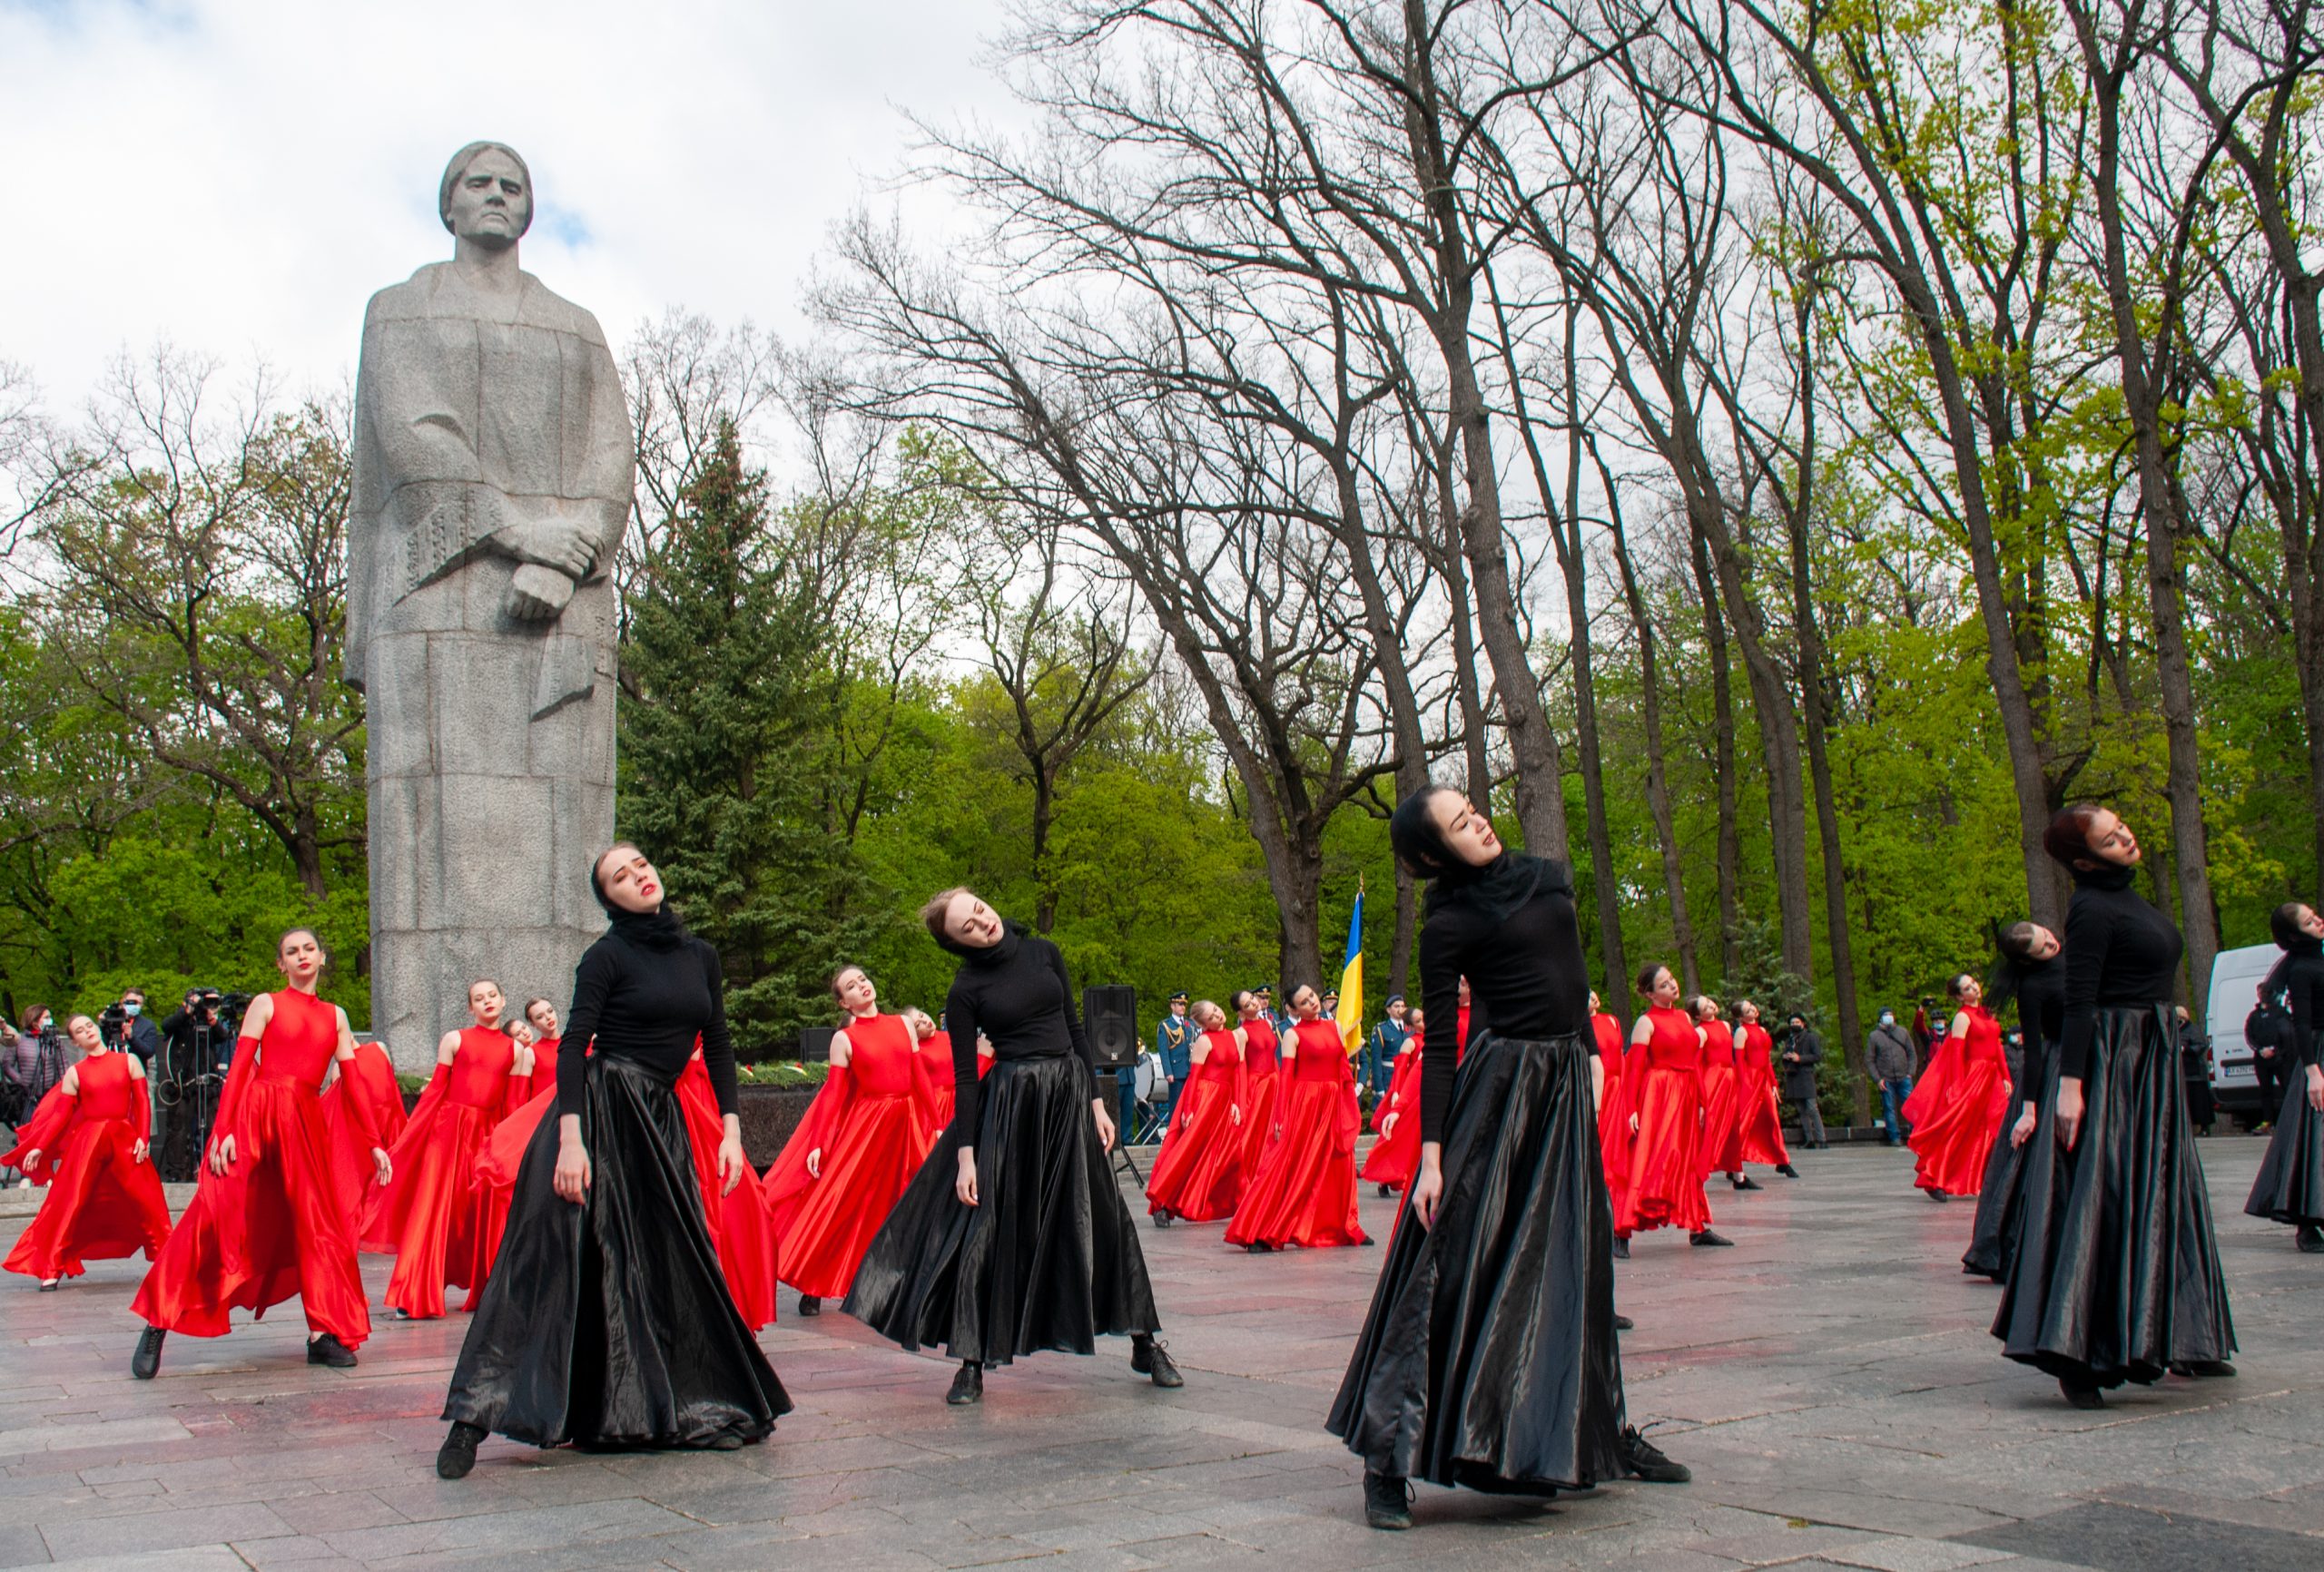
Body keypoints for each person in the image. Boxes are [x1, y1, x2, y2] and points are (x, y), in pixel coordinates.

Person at [1330, 785, 1686, 1531]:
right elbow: (1440, 1048)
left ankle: (1597, 1434)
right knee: (1448, 1264)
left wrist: (1588, 1061)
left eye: (1474, 811)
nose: (1479, 823)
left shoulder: (1547, 876)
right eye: (1460, 824)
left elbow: (1573, 974)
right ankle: (1387, 1462)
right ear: (1433, 855)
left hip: (1563, 1085)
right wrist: (1430, 1156)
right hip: (1500, 1089)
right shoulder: (1449, 922)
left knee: (1576, 1265)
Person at [436, 843, 791, 1479]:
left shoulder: (699, 956)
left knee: (664, 1259)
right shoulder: (606, 955)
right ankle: (472, 1417)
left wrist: (732, 1132)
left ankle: (652, 1407)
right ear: (609, 900)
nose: (639, 877)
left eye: (641, 866)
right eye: (619, 877)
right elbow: (573, 1046)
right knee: (550, 1259)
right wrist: (571, 1140)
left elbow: (718, 1044)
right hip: (599, 1111)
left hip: (659, 1118)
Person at [843, 888, 1178, 1406]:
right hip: (1013, 1104)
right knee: (990, 1230)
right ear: (958, 945)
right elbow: (964, 1076)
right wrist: (965, 1155)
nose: (982, 923)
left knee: (1104, 1220)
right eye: (966, 927)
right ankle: (972, 1361)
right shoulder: (965, 989)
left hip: (1068, 1098)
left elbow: (1075, 1029)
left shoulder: (1043, 952)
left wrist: (1095, 1104)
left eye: (978, 910)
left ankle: (1143, 1341)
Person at [1993, 804, 2235, 1408]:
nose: (2126, 837)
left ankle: (2180, 1332)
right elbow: (2079, 1001)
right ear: (2084, 859)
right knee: (2109, 1194)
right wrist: (2069, 1086)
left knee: (2165, 1188)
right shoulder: (2091, 906)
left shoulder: (2128, 898)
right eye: (2110, 837)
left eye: (2122, 827)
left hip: (2147, 1055)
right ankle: (2079, 1353)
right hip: (2113, 1059)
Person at [129, 930, 389, 1378]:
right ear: (281, 964)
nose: (302, 956)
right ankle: (158, 1318)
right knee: (212, 1216)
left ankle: (322, 1333)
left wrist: (374, 1142)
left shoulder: (336, 1016)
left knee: (318, 1226)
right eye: (292, 951)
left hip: (305, 1125)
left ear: (323, 958)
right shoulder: (267, 1003)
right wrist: (224, 1130)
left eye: (309, 949)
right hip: (258, 1114)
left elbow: (354, 1084)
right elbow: (241, 1068)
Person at [761, 966, 934, 1317]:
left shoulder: (902, 1024)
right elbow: (833, 1095)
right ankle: (813, 1283)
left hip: (907, 1122)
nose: (862, 986)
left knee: (906, 1201)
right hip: (869, 1128)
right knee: (845, 1205)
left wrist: (938, 1123)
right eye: (851, 987)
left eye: (863, 980)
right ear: (844, 1003)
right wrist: (818, 1143)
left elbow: (919, 1077)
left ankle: (899, 1285)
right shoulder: (844, 1039)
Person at [361, 979, 527, 1320]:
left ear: (503, 999)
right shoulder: (455, 1039)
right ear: (470, 1008)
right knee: (431, 1207)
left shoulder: (517, 1051)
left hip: (486, 1136)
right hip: (447, 1131)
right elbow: (435, 1092)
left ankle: (491, 1290)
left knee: (479, 1210)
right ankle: (413, 1294)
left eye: (492, 996)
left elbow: (513, 1107)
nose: (487, 1002)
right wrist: (408, 1139)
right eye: (479, 999)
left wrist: (510, 1152)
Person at [1, 1014, 172, 1289]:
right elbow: (59, 1116)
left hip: (124, 1138)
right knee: (72, 1201)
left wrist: (143, 1137)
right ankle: (53, 1266)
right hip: (89, 1141)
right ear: (76, 1041)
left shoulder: (129, 1061)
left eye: (89, 1025)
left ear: (96, 1028)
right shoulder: (76, 1072)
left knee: (147, 1200)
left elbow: (141, 1101)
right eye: (80, 1031)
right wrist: (39, 1146)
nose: (87, 1031)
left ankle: (170, 1260)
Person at [1226, 985, 1367, 1252]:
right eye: (1304, 1002)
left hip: (1333, 1100)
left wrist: (1349, 1100)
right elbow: (1286, 1077)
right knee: (1293, 1166)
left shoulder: (1335, 1026)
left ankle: (1345, 1225)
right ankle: (1260, 1230)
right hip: (1307, 1104)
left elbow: (1341, 1067)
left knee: (1340, 1163)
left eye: (1312, 996)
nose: (1312, 1003)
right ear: (1293, 1009)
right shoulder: (1291, 1035)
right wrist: (1280, 1117)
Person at [1963, 921, 2064, 1280]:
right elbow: (2034, 1052)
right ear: (2028, 960)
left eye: (2047, 935)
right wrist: (2030, 1110)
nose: (2052, 942)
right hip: (2053, 1068)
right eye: (2043, 946)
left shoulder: (2076, 957)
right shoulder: (2033, 988)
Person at [1618, 965, 1725, 1252]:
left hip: (1688, 1093)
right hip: (1659, 1097)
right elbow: (1634, 1068)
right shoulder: (1646, 1023)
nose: (1673, 986)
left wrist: (1702, 1101)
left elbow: (1694, 1061)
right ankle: (1622, 1231)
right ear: (1650, 994)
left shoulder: (1684, 1017)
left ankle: (1698, 1226)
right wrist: (1631, 1108)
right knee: (1651, 1160)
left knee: (1688, 1159)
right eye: (1664, 985)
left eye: (1672, 980)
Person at [2245, 901, 2324, 1252]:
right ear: (2295, 935)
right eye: (2310, 921)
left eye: (2315, 915)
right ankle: (2307, 1224)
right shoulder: (2301, 969)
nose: (2319, 921)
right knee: (2312, 1140)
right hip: (2319, 1055)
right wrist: (2313, 1073)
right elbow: (2303, 1024)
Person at [1905, 974, 2010, 1201]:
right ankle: (1933, 1176)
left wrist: (2006, 1077)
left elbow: (1998, 1048)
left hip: (1991, 1078)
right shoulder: (1963, 1017)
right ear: (1959, 996)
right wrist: (1956, 1084)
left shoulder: (1987, 1013)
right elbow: (1955, 1052)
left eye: (1974, 983)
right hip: (1974, 1077)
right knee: (1958, 1127)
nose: (1974, 988)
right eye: (1967, 987)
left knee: (1990, 1127)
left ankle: (1986, 1178)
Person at [1146, 1000, 1247, 1225]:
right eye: (1211, 1017)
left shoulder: (1235, 1036)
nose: (1218, 1016)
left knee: (1230, 1153)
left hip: (1224, 1100)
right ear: (1203, 1024)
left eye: (1217, 1011)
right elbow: (1194, 1077)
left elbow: (1238, 1073)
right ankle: (1162, 1202)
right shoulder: (1204, 1040)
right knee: (1188, 1151)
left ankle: (1240, 1202)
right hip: (1204, 1098)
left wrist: (1237, 1103)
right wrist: (1189, 1109)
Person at [318, 1024, 409, 1231]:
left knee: (391, 1177)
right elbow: (340, 1107)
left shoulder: (378, 1047)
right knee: (367, 1180)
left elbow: (390, 1086)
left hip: (389, 1120)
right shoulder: (338, 1068)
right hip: (362, 1130)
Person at [1363, 1008, 1425, 1196]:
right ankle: (1384, 1176)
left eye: (1424, 1017)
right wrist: (1396, 1092)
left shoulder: (1436, 1037)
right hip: (1411, 1092)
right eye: (1419, 1020)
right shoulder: (1410, 1042)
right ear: (1410, 1026)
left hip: (1427, 1090)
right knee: (1397, 1135)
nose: (1424, 1022)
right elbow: (1400, 1069)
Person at [1694, 997, 1754, 1192]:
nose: (1711, 1006)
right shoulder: (1701, 1031)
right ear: (1698, 1015)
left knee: (1732, 1129)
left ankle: (1739, 1175)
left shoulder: (1727, 1026)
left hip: (1729, 1078)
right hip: (1713, 1081)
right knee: (1712, 1127)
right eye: (1705, 1007)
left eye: (1710, 1003)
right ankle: (1698, 1174)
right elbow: (1696, 1063)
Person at [1731, 1001, 1795, 1178]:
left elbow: (1766, 1060)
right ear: (1741, 1017)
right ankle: (1733, 1162)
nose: (1753, 1010)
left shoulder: (1762, 1031)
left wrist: (1773, 1082)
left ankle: (1782, 1160)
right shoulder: (1741, 1032)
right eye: (1748, 1010)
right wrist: (1744, 1083)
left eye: (1752, 1007)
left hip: (1763, 1079)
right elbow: (1740, 1060)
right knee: (1744, 1121)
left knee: (1772, 1118)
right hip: (1749, 1080)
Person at [1236, 989, 1284, 1174]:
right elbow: (1240, 1067)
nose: (1254, 1003)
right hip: (1256, 1085)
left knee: (1274, 1130)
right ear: (1241, 1013)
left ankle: (1272, 1175)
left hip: (1273, 1080)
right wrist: (1240, 1101)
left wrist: (1280, 1082)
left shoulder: (1268, 1023)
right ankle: (1249, 1176)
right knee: (1254, 1134)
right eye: (1247, 1004)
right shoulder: (1241, 1032)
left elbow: (1272, 1056)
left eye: (1252, 999)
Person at [1867, 1008, 1915, 1145]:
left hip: (1903, 1076)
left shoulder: (1902, 1032)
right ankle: (1894, 1136)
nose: (1889, 1017)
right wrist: (1878, 1078)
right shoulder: (1874, 1036)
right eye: (1885, 1015)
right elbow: (1870, 1059)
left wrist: (1910, 1073)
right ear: (1880, 1018)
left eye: (1890, 1014)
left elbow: (1911, 1053)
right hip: (1886, 1078)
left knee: (1911, 1106)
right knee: (1889, 1108)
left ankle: (1916, 1133)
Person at [1779, 1014, 1827, 1151]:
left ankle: (1822, 1138)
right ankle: (1809, 1139)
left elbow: (1817, 1056)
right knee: (1801, 1110)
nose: (1794, 1024)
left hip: (1806, 1076)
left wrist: (1800, 1058)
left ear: (1803, 1023)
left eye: (1797, 1022)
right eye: (1792, 1022)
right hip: (1793, 1077)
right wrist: (1786, 1057)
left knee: (1812, 1108)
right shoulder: (1789, 1040)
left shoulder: (1810, 1037)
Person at [1155, 992, 1197, 1131]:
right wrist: (1168, 1072)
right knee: (1176, 1105)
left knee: (1190, 1104)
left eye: (1184, 1004)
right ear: (1172, 1006)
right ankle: (1173, 1132)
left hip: (1189, 1069)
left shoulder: (1189, 1024)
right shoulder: (1166, 1025)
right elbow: (1164, 1051)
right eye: (1180, 1004)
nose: (1183, 1007)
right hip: (1176, 1071)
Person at [2176, 1007, 2215, 1135]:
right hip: (2182, 1071)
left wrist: (2185, 1049)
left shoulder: (2192, 1029)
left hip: (2195, 1071)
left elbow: (2201, 1045)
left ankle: (2204, 1128)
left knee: (2200, 1101)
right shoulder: (2175, 1030)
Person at [1364, 996, 1409, 1102]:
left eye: (1403, 1006)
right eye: (1396, 1006)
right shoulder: (1381, 1030)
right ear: (1388, 1010)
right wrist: (1379, 1087)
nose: (1400, 1009)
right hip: (1388, 1078)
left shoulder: (1410, 1029)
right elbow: (1376, 1060)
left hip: (1406, 1078)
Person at [117, 991, 162, 1068]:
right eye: (131, 1002)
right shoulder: (112, 1020)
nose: (134, 1005)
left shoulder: (148, 1025)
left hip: (135, 1070)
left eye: (138, 1003)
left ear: (142, 1005)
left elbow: (149, 1052)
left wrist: (132, 1037)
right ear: (123, 1001)